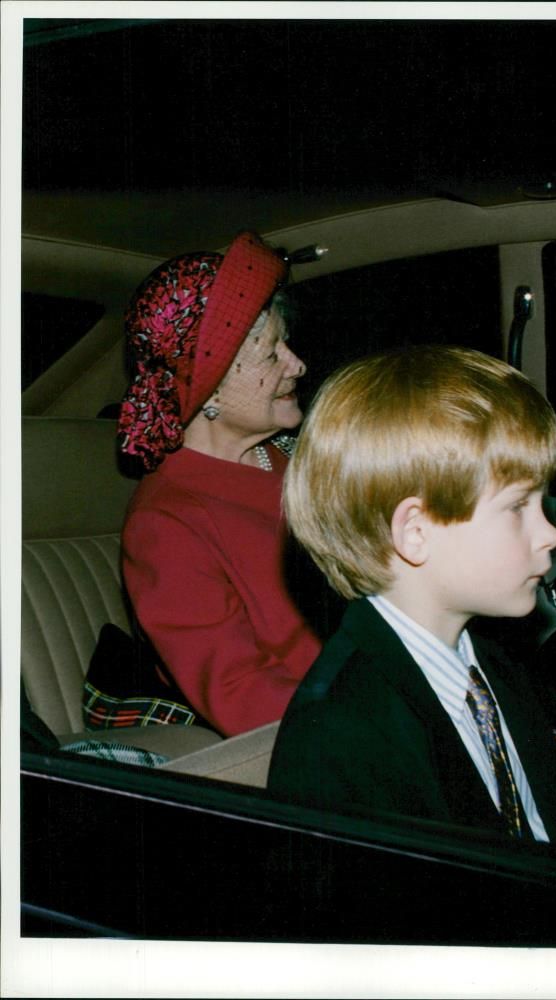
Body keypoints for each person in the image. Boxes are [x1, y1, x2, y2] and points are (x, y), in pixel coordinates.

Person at [268, 345, 556, 856]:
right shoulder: (341, 735)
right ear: (416, 533)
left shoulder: (495, 666)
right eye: (518, 506)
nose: (549, 534)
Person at [114, 232, 322, 737]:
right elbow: (241, 694)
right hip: (321, 738)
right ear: (206, 387)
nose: (298, 364)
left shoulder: (293, 461)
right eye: (272, 354)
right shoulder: (165, 523)